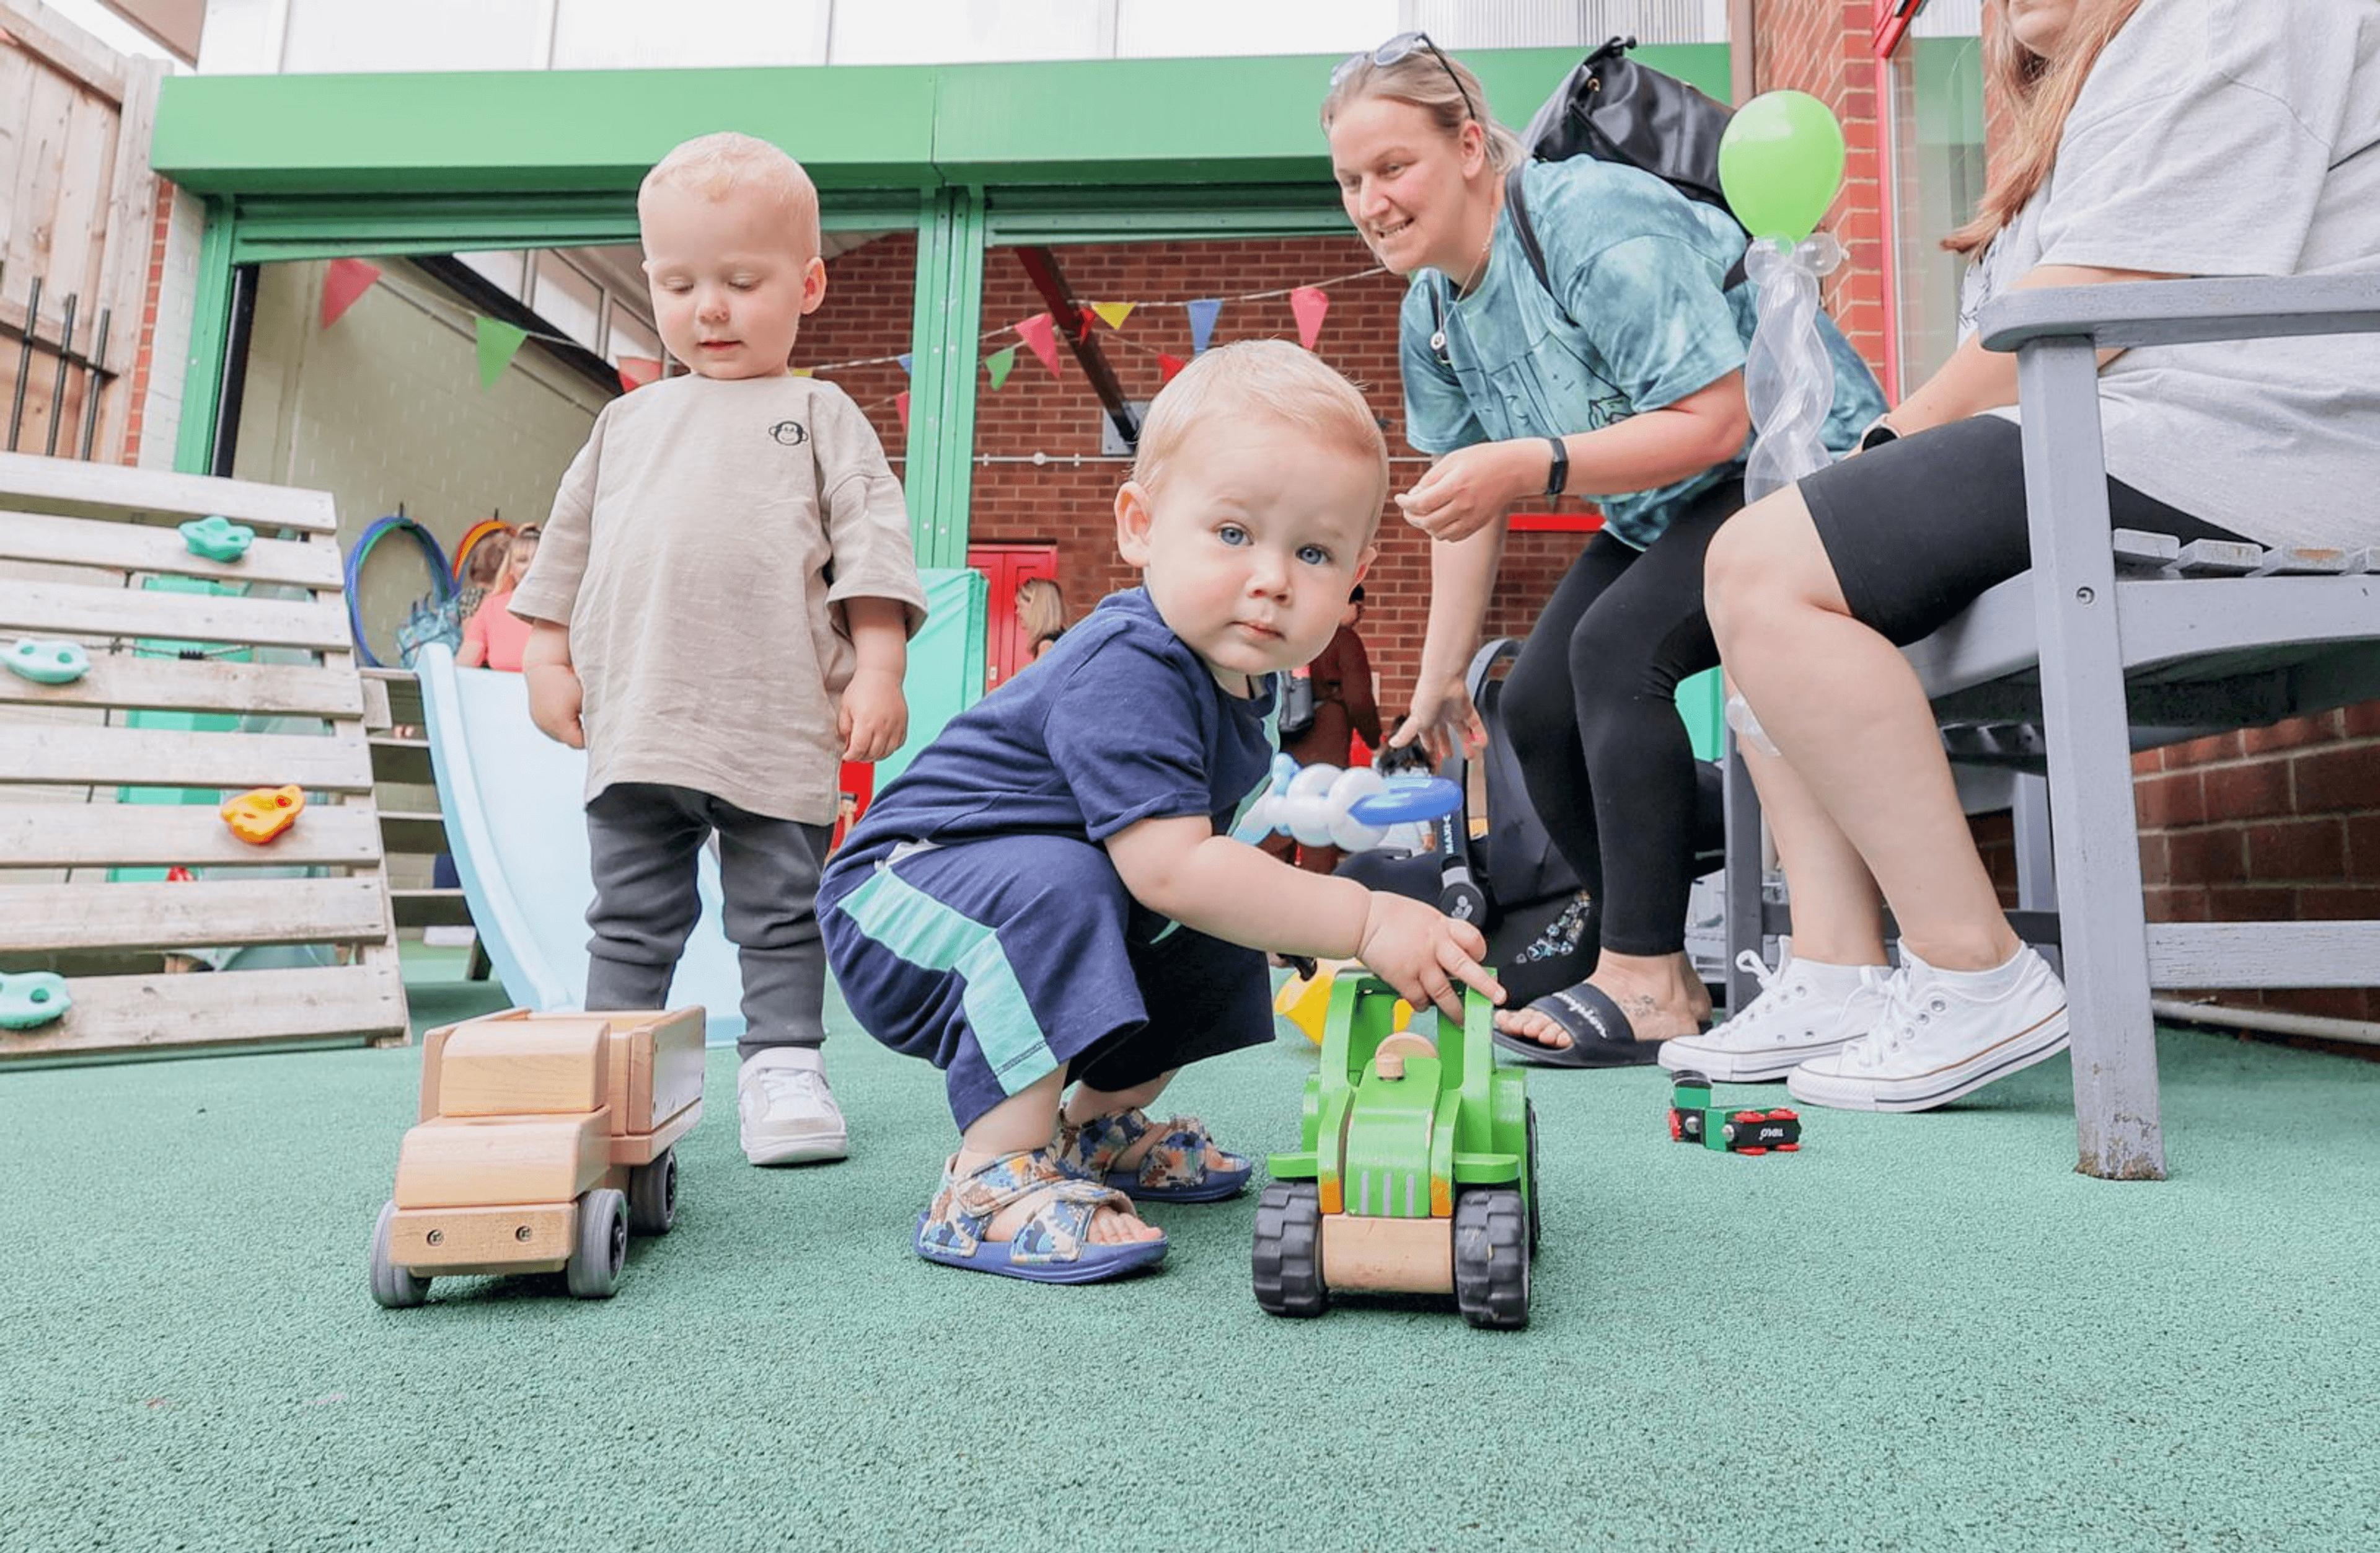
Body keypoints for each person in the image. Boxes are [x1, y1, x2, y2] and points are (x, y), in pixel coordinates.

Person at [1691, 0, 2379, 1111]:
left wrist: (1881, 450)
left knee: (1768, 569)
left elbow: (2096, 304)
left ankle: (1973, 968)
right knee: (1758, 577)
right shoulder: (2123, 80)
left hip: (2252, 447)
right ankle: (1835, 966)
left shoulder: (2226, 15)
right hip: (2149, 430)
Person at [818, 341, 1503, 1285]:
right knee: (1138, 878)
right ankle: (988, 1175)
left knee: (1224, 907)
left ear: (1353, 582)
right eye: (1233, 534)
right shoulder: (1130, 665)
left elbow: (1200, 874)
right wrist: (1369, 916)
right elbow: (1166, 867)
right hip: (901, 894)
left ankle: (1094, 1126)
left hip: (1028, 889)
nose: (1272, 578)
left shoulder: (1239, 679)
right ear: (1140, 525)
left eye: (1312, 552)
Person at [1322, 35, 1885, 1066]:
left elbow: (1719, 420)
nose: (1371, 201)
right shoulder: (1434, 316)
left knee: (1615, 653)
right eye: (1350, 180)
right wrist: (1440, 677)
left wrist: (1532, 465)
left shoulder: (1584, 218)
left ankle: (1647, 971)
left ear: (1468, 147)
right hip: (1664, 506)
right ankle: (1645, 932)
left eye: (1392, 168)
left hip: (1797, 466)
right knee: (1530, 707)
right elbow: (1466, 507)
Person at [511, 131, 928, 1165]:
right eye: (681, 282)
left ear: (810, 284)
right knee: (632, 913)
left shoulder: (820, 412)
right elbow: (564, 548)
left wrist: (879, 665)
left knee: (779, 909)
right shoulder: (627, 422)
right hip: (640, 712)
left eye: (742, 281)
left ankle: (784, 1064)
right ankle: (610, 1066)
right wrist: (545, 657)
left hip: (774, 713)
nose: (710, 308)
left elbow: (871, 545)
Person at [1261, 582, 1385, 874]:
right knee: (1323, 823)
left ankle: (1264, 903)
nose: (1361, 614)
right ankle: (1313, 906)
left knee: (1277, 824)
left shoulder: (1290, 636)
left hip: (1283, 740)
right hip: (1326, 742)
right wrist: (1374, 740)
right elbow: (1360, 701)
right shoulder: (1345, 641)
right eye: (1359, 606)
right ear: (1342, 604)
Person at [455, 524, 536, 671]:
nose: (529, 567)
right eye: (522, 560)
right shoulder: (492, 607)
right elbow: (466, 661)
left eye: (537, 560)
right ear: (510, 568)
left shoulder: (561, 610)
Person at [1015, 576, 1068, 663]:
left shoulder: (1046, 646)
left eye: (1021, 607)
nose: (1017, 612)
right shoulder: (1062, 640)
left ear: (1037, 609)